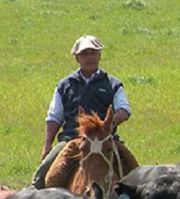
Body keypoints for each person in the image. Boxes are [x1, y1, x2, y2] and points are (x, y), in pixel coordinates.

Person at [32, 35, 132, 188]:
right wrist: (47, 145)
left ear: (100, 56)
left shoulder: (113, 84)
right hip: (72, 140)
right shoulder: (65, 85)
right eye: (85, 54)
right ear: (77, 58)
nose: (90, 57)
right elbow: (54, 117)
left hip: (106, 140)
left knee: (135, 175)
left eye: (93, 53)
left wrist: (109, 123)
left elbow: (124, 109)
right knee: (43, 176)